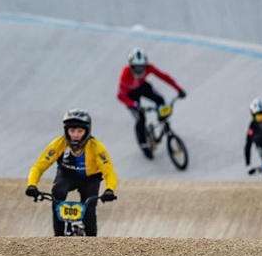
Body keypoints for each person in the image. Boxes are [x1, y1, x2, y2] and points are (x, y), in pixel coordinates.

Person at [24, 109, 118, 237]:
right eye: (72, 131)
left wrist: (109, 190)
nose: (75, 135)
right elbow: (39, 166)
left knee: (89, 211)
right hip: (67, 175)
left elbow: (109, 172)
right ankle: (58, 238)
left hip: (90, 179)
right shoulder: (59, 144)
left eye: (79, 131)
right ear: (66, 130)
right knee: (57, 195)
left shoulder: (96, 147)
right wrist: (32, 185)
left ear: (87, 131)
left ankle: (93, 246)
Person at [117, 47, 187, 158]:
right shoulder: (125, 74)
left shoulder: (149, 67)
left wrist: (179, 89)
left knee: (160, 101)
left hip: (141, 86)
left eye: (142, 67)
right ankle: (143, 144)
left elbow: (164, 77)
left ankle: (163, 122)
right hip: (130, 95)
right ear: (131, 66)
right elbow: (120, 95)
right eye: (137, 67)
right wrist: (135, 105)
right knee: (140, 118)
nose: (140, 70)